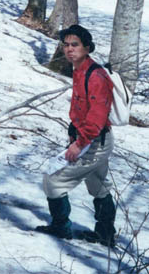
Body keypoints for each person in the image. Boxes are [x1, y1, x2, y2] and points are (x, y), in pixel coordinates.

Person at [35, 24, 117, 246]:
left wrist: (79, 144)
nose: (69, 49)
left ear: (87, 48)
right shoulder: (79, 69)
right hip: (95, 139)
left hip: (94, 142)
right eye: (66, 45)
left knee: (53, 182)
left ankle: (61, 227)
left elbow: (97, 117)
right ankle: (105, 235)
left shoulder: (95, 76)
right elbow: (83, 110)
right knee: (98, 185)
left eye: (75, 45)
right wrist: (75, 130)